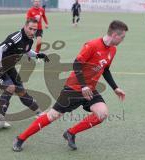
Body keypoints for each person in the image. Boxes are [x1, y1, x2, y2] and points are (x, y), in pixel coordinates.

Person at [13, 20, 128, 152]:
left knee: (102, 114)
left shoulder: (112, 50)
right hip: (73, 88)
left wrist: (115, 88)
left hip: (90, 90)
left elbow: (105, 69)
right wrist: (83, 86)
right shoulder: (92, 45)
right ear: (114, 35)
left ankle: (70, 133)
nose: (123, 40)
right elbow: (76, 64)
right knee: (52, 116)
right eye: (122, 37)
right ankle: (20, 138)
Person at [0, 19, 50, 128]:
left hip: (10, 68)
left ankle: (38, 112)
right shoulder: (16, 37)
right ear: (25, 26)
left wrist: (37, 55)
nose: (32, 32)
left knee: (21, 90)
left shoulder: (30, 40)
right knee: (10, 87)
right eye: (30, 28)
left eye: (35, 30)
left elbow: (26, 50)